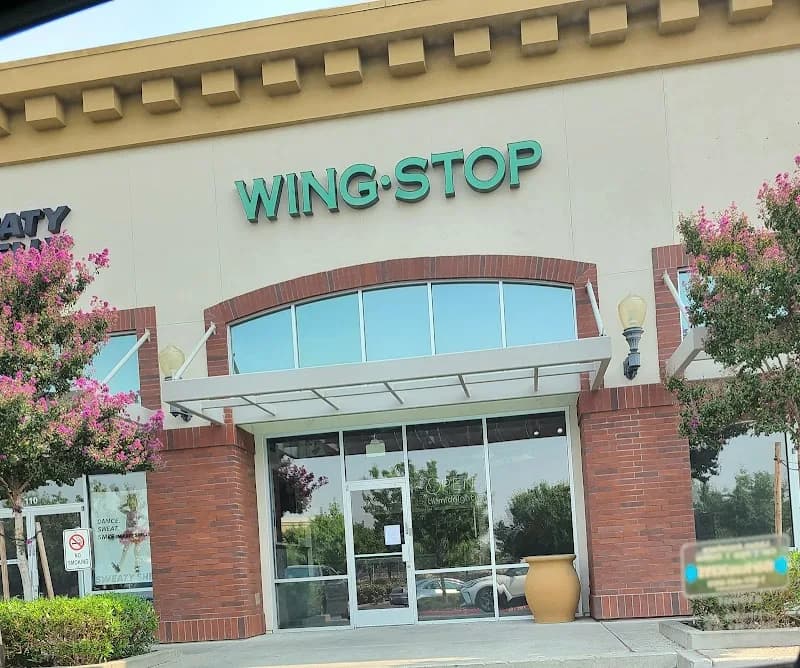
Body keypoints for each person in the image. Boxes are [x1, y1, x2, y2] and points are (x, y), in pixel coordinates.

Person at [111, 492, 148, 576]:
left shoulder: (136, 513)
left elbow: (145, 518)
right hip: (130, 532)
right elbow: (119, 508)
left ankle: (136, 566)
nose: (132, 506)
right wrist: (125, 504)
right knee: (126, 550)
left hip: (135, 532)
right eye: (130, 504)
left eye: (133, 503)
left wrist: (141, 525)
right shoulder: (128, 512)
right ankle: (120, 566)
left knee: (136, 550)